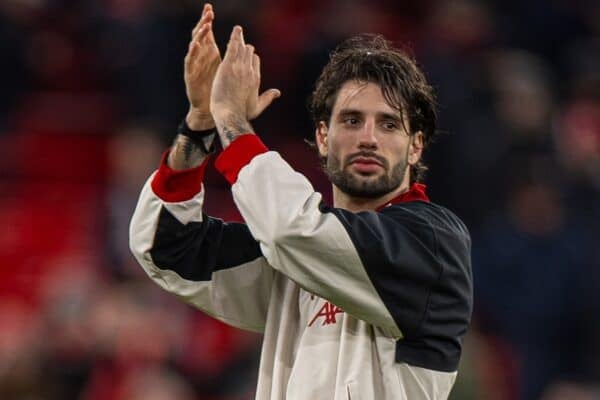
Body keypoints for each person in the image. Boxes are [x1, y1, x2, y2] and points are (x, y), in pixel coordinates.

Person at [129, 3, 473, 399]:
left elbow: (292, 231)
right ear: (323, 138)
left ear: (415, 148)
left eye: (389, 124)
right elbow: (164, 248)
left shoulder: (433, 243)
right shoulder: (297, 258)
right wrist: (201, 123)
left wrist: (234, 123)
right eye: (351, 120)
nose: (368, 138)